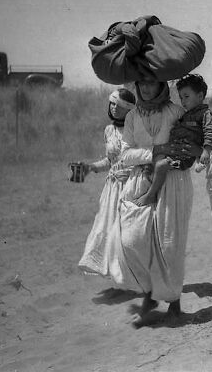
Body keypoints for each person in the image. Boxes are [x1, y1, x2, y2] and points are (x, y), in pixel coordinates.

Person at [118, 80, 200, 319]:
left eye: (150, 83)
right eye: (141, 82)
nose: (145, 88)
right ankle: (150, 293)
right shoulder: (132, 116)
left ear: (161, 85)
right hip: (140, 180)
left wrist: (179, 153)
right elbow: (125, 154)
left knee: (169, 245)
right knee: (133, 241)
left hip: (173, 182)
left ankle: (173, 303)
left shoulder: (175, 112)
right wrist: (154, 152)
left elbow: (190, 145)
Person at [78, 88, 136, 279]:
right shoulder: (109, 130)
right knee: (105, 229)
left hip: (131, 186)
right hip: (111, 189)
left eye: (119, 106)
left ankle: (135, 277)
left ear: (129, 110)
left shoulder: (136, 129)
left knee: (127, 234)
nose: (114, 108)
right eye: (112, 103)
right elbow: (110, 161)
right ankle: (117, 274)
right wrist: (90, 167)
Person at [133, 74, 212, 206]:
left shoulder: (205, 114)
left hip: (183, 155)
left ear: (200, 96)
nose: (183, 101)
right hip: (176, 149)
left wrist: (205, 151)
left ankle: (150, 195)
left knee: (160, 166)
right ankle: (149, 179)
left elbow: (210, 132)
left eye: (186, 97)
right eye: (181, 97)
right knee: (155, 160)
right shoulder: (187, 113)